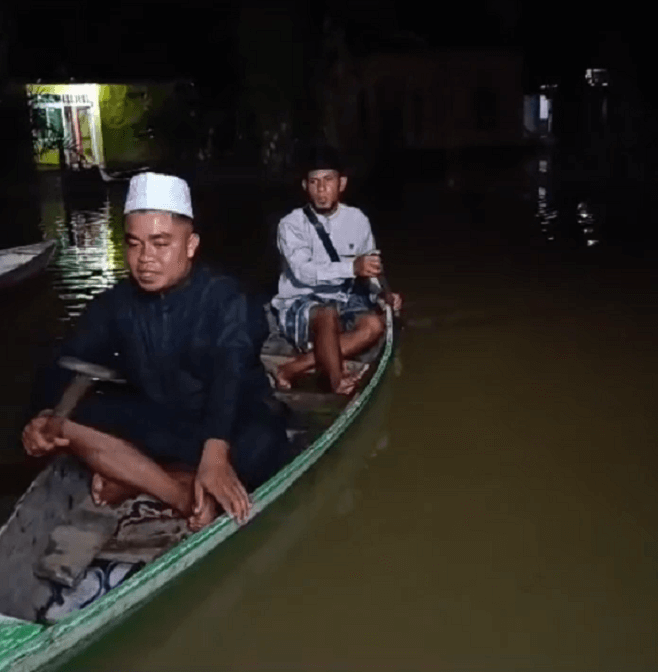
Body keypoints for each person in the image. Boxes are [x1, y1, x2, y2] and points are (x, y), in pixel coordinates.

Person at [22, 172, 292, 531]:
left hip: (229, 424)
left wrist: (216, 451)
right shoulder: (116, 303)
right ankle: (179, 492)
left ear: (191, 245)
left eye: (160, 243)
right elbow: (64, 363)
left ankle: (138, 476)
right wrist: (43, 418)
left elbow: (231, 371)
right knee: (65, 421)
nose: (145, 258)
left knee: (264, 443)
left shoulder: (225, 298)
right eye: (134, 244)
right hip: (161, 426)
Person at [270, 146, 403, 394]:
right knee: (326, 313)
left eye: (328, 180)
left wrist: (382, 295)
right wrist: (352, 266)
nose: (321, 189)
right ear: (305, 186)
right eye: (314, 182)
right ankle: (336, 381)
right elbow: (303, 272)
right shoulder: (290, 225)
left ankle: (293, 367)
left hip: (345, 297)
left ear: (341, 184)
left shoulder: (358, 220)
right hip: (302, 301)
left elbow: (371, 268)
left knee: (374, 326)